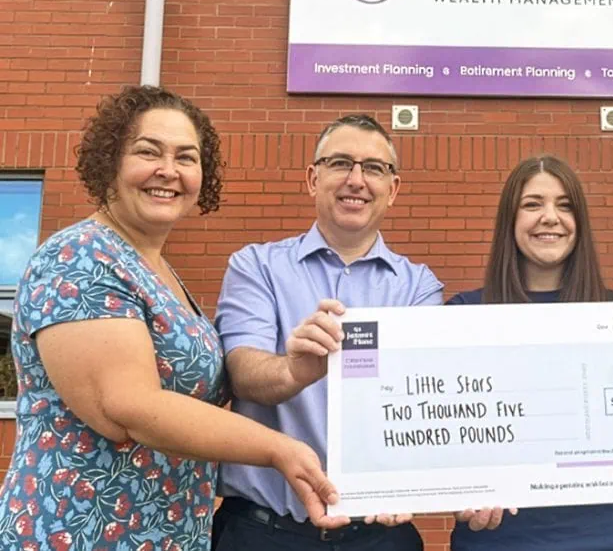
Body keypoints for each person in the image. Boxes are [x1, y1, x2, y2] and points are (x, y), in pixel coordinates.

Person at [0, 85, 343, 551]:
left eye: (186, 157)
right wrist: (279, 448)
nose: (169, 170)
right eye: (148, 151)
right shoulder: (80, 257)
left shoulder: (158, 271)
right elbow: (129, 408)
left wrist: (294, 369)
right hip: (78, 530)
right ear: (110, 161)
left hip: (163, 534)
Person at [212, 114, 442, 551]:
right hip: (265, 534)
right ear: (312, 179)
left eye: (373, 168)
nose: (356, 180)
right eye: (340, 163)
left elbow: (419, 395)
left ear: (392, 189)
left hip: (380, 534)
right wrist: (294, 370)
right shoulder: (256, 267)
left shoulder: (419, 287)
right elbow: (242, 374)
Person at [447, 154, 613, 551]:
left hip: (611, 540)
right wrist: (456, 489)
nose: (550, 217)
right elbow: (446, 439)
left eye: (564, 205)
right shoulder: (464, 315)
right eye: (532, 204)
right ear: (510, 220)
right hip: (498, 541)